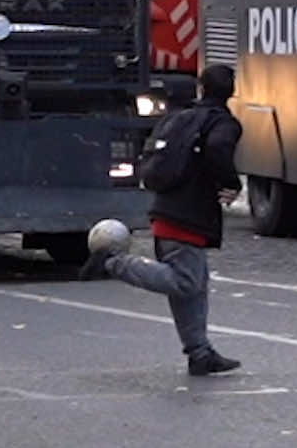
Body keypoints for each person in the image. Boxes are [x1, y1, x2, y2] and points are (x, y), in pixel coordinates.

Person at [80, 63, 244, 375]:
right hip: (190, 212)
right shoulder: (223, 123)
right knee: (186, 281)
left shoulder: (180, 118)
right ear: (231, 92)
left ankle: (200, 352)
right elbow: (218, 148)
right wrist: (231, 183)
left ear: (201, 88)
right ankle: (114, 263)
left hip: (165, 206)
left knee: (194, 285)